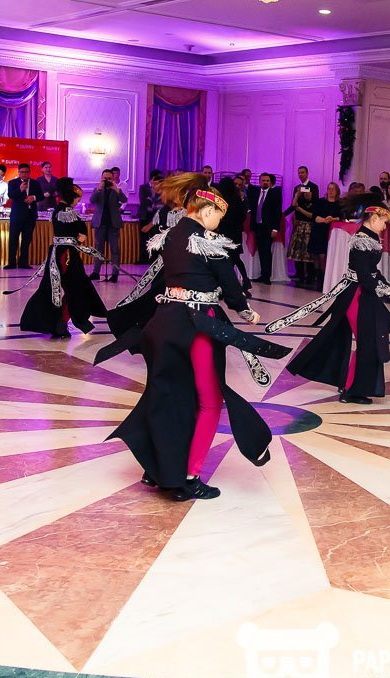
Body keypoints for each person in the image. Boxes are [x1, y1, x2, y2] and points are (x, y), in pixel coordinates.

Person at [93, 173, 290, 501]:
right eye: (219, 217)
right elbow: (230, 286)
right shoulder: (206, 240)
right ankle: (189, 476)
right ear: (207, 210)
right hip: (197, 325)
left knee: (170, 394)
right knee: (210, 401)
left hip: (164, 323)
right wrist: (246, 312)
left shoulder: (170, 235)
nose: (219, 223)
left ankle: (159, 467)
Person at [265, 200, 390, 404]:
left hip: (364, 294)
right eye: (383, 221)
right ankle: (351, 390)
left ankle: (350, 384)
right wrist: (388, 291)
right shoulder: (361, 241)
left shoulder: (370, 238)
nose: (385, 226)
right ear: (374, 218)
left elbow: (372, 272)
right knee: (367, 342)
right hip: (356, 296)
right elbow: (364, 276)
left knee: (369, 340)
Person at [15, 177, 108, 338]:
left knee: (57, 289)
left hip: (58, 253)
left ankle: (58, 323)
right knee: (75, 289)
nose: (78, 202)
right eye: (77, 199)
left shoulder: (58, 210)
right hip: (67, 256)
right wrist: (81, 236)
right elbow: (80, 234)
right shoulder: (67, 212)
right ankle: (61, 323)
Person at [215, 176, 251, 296]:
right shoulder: (237, 199)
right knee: (235, 258)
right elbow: (242, 216)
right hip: (235, 233)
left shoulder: (221, 200)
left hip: (224, 233)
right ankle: (244, 281)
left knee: (226, 259)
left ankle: (227, 284)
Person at [89, 168, 126, 282]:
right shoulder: (97, 189)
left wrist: (117, 189)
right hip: (100, 223)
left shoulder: (116, 189)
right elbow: (92, 200)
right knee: (98, 249)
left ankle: (115, 274)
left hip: (113, 223)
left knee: (114, 249)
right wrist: (99, 189)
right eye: (105, 178)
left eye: (109, 178)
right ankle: (96, 272)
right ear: (101, 178)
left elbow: (124, 200)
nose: (107, 180)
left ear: (113, 179)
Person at [6, 163, 41, 270]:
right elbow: (10, 195)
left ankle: (23, 262)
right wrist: (20, 189)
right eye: (22, 172)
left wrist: (33, 197)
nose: (24, 174)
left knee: (26, 240)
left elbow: (41, 196)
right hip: (17, 216)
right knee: (13, 239)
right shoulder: (13, 183)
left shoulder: (35, 183)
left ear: (29, 172)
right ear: (18, 172)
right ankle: (11, 263)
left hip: (30, 216)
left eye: (26, 172)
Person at [310, 182, 344, 289]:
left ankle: (324, 281)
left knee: (323, 257)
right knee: (316, 256)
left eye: (333, 189)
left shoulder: (339, 204)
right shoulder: (321, 202)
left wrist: (332, 219)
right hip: (318, 231)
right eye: (329, 188)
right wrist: (323, 220)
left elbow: (341, 217)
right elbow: (314, 216)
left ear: (337, 191)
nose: (331, 191)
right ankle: (318, 279)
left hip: (331, 233)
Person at [250, 173, 283, 284]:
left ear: (270, 182)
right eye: (263, 180)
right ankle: (262, 274)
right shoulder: (255, 193)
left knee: (267, 252)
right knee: (260, 251)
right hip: (258, 227)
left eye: (267, 181)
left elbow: (277, 212)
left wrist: (275, 228)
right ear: (260, 182)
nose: (265, 182)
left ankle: (267, 276)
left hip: (268, 228)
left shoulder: (275, 194)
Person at [285, 183, 316, 287]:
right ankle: (300, 275)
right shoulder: (300, 200)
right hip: (299, 228)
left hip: (309, 228)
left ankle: (310, 276)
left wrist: (300, 210)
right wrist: (297, 195)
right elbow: (294, 205)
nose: (307, 194)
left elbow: (312, 215)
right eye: (305, 192)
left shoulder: (315, 203)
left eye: (309, 192)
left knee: (308, 254)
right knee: (297, 253)